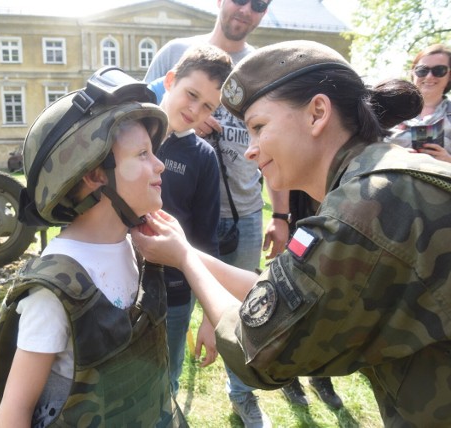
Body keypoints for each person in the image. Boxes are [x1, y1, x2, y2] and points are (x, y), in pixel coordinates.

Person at [131, 40, 451, 427]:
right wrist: (186, 250)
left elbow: (259, 350)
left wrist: (184, 259)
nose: (250, 151)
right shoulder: (383, 179)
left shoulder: (364, 209)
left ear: (317, 113)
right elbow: (287, 292)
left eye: (258, 128)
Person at [0, 68, 187, 427]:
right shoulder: (56, 288)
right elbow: (14, 411)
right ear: (96, 174)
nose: (159, 164)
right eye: (142, 154)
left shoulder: (142, 249)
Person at [144, 1, 287, 426]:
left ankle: (241, 393)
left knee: (238, 310)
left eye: (259, 4)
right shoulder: (177, 51)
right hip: (167, 215)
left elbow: (274, 146)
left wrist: (280, 216)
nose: (247, 9)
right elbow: (136, 110)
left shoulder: (264, 66)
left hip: (239, 212)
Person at [153, 44, 232, 395]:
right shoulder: (127, 130)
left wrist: (209, 318)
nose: (195, 110)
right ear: (170, 80)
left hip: (174, 295)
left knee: (165, 381)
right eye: (191, 94)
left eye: (208, 107)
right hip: (115, 286)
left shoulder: (203, 158)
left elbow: (205, 240)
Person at [279, 190, 343, 410]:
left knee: (328, 309)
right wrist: (280, 217)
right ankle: (287, 375)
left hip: (339, 237)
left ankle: (320, 376)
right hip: (301, 228)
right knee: (293, 302)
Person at [388, 43, 451, 163]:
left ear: (450, 75)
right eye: (422, 70)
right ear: (413, 73)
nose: (429, 76)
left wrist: (448, 160)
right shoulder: (388, 110)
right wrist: (392, 154)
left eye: (439, 70)